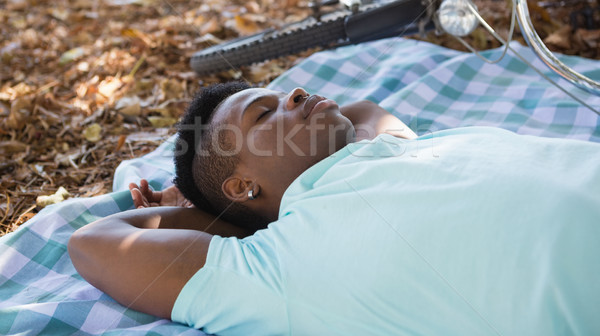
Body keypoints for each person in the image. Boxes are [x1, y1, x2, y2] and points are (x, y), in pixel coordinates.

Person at [68, 81, 600, 336]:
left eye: (286, 92)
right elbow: (93, 244)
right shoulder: (276, 267)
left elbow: (364, 111)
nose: (296, 94)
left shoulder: (388, 147)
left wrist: (219, 208)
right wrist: (200, 214)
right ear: (241, 186)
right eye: (265, 113)